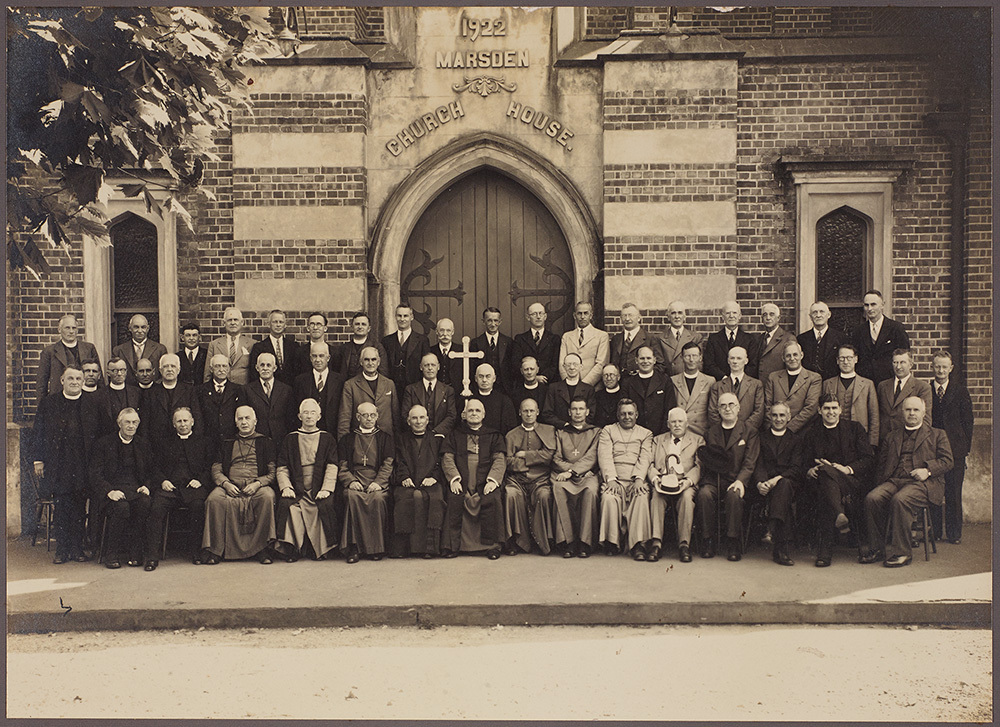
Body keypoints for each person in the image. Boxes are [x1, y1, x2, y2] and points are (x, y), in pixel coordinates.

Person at [861, 397, 953, 567]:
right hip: (895, 480)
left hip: (923, 484)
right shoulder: (892, 436)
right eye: (908, 410)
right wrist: (881, 483)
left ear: (924, 413)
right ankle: (877, 549)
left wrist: (928, 470)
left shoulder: (937, 434)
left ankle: (902, 553)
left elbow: (948, 461)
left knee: (900, 500)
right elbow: (882, 465)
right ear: (901, 412)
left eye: (916, 410)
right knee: (872, 498)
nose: (912, 413)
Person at [31, 366, 107, 562]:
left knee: (80, 507)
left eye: (78, 378)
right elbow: (38, 432)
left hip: (83, 463)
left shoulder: (93, 403)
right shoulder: (49, 403)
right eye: (70, 378)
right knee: (62, 506)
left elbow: (104, 433)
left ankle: (77, 548)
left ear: (83, 382)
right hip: (59, 464)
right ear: (62, 381)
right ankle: (62, 550)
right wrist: (38, 459)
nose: (75, 382)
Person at [802, 394, 874, 567]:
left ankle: (825, 552)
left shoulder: (855, 429)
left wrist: (845, 469)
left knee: (827, 474)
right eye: (826, 408)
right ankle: (840, 514)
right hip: (822, 483)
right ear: (819, 410)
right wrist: (809, 470)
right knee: (826, 479)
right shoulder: (812, 433)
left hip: (851, 481)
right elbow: (804, 462)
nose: (831, 412)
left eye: (834, 408)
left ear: (841, 409)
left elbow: (868, 459)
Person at [203, 405, 277, 565]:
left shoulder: (265, 442)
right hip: (230, 485)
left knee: (268, 496)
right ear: (236, 422)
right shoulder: (227, 442)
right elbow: (216, 468)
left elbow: (272, 473)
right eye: (240, 419)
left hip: (257, 486)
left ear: (255, 421)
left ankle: (262, 549)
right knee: (214, 499)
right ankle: (217, 550)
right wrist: (225, 484)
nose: (244, 422)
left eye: (247, 418)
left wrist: (258, 484)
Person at [143, 407, 214, 569]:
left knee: (198, 506)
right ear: (174, 424)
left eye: (185, 420)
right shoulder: (164, 443)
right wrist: (162, 481)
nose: (183, 424)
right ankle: (152, 557)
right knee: (156, 508)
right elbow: (154, 466)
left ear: (192, 422)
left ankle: (196, 552)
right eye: (179, 421)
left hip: (193, 487)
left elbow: (210, 466)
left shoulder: (204, 441)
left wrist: (200, 480)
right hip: (170, 488)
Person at [274, 399, 340, 562]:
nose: (309, 416)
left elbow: (332, 466)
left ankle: (320, 550)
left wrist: (326, 488)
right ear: (299, 416)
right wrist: (286, 487)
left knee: (324, 505)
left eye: (313, 413)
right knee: (289, 505)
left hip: (319, 485)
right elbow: (282, 467)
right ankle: (293, 548)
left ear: (319, 416)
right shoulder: (290, 438)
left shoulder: (327, 438)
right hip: (297, 486)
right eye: (306, 413)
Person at [696, 392, 759, 562]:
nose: (727, 408)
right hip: (715, 479)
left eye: (731, 404)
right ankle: (708, 540)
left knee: (734, 494)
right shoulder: (711, 433)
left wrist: (740, 481)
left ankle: (733, 541)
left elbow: (750, 462)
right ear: (717, 410)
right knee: (704, 494)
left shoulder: (749, 431)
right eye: (723, 405)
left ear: (738, 408)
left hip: (737, 479)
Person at [440, 399, 507, 558]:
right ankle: (454, 546)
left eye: (477, 411)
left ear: (483, 414)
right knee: (454, 497)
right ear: (464, 414)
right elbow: (447, 458)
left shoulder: (493, 435)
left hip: (485, 480)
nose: (474, 414)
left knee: (493, 498)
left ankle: (492, 547)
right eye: (470, 411)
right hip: (462, 479)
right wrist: (454, 479)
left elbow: (499, 459)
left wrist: (493, 480)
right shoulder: (455, 435)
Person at [90, 407, 153, 569]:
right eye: (127, 422)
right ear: (119, 423)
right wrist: (109, 491)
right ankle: (112, 553)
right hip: (112, 491)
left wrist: (146, 486)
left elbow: (150, 471)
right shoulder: (104, 444)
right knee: (121, 507)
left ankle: (135, 551)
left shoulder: (142, 444)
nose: (131, 426)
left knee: (144, 503)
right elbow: (95, 473)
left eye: (134, 423)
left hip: (134, 489)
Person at [338, 402, 395, 563]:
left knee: (377, 499)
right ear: (358, 417)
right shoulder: (347, 439)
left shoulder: (385, 438)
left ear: (377, 416)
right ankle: (354, 548)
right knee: (352, 496)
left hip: (376, 480)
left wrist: (378, 482)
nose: (369, 419)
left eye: (372, 415)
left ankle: (376, 549)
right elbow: (342, 465)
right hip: (355, 478)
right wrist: (350, 481)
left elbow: (388, 464)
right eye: (365, 415)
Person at [597, 398, 653, 560]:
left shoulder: (646, 433)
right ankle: (612, 542)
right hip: (614, 477)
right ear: (617, 415)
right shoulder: (608, 431)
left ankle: (638, 544)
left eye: (630, 413)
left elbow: (645, 457)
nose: (627, 417)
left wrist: (639, 478)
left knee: (641, 497)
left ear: (636, 415)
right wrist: (611, 479)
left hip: (636, 478)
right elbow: (605, 455)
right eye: (623, 414)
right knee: (608, 498)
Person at [647, 407, 703, 564]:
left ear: (686, 423)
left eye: (680, 422)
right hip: (662, 481)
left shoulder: (698, 440)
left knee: (686, 498)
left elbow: (699, 466)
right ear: (668, 424)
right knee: (656, 496)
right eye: (673, 422)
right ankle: (656, 542)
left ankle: (684, 544)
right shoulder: (657, 440)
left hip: (685, 482)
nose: (677, 425)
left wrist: (687, 482)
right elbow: (649, 463)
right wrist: (655, 478)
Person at [502, 398, 557, 555]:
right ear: (520, 413)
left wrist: (525, 455)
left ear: (538, 412)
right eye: (525, 411)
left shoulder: (549, 430)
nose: (528, 414)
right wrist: (533, 462)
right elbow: (508, 461)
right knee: (511, 495)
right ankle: (515, 542)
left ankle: (544, 542)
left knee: (545, 495)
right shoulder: (511, 435)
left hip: (540, 479)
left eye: (532, 411)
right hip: (517, 480)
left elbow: (549, 455)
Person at [929, 350, 974, 543]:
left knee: (954, 491)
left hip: (955, 449)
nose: (940, 370)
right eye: (937, 366)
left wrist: (964, 449)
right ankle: (935, 532)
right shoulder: (926, 389)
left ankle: (954, 534)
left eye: (944, 367)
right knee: (934, 491)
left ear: (951, 368)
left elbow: (968, 422)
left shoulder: (960, 391)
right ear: (932, 367)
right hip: (933, 449)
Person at [391, 404, 446, 558]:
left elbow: (440, 463)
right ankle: (404, 548)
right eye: (414, 418)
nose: (418, 421)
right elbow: (399, 461)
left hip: (431, 482)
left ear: (427, 420)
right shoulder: (401, 439)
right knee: (405, 498)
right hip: (408, 481)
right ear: (408, 421)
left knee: (435, 498)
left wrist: (434, 477)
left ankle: (429, 548)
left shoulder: (437, 440)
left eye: (422, 417)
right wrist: (404, 477)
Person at [751, 403, 803, 566]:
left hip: (789, 483)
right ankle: (781, 550)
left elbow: (796, 468)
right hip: (765, 484)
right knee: (783, 500)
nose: (778, 419)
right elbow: (757, 464)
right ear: (769, 417)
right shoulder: (761, 438)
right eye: (775, 415)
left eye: (782, 415)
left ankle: (771, 529)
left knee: (784, 485)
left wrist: (776, 479)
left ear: (788, 417)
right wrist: (760, 482)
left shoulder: (796, 439)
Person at [551, 396, 601, 558]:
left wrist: (574, 471)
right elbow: (556, 458)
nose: (578, 412)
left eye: (581, 409)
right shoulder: (560, 433)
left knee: (590, 491)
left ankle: (585, 542)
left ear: (587, 411)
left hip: (587, 475)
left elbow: (592, 457)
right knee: (558, 489)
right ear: (569, 412)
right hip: (565, 476)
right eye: (574, 409)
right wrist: (570, 472)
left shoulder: (595, 432)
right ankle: (568, 541)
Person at [820, 344, 879, 447]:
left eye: (849, 358)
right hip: (834, 439)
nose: (846, 362)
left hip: (860, 438)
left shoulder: (867, 384)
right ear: (837, 361)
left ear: (856, 359)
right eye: (842, 358)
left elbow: (874, 415)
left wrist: (872, 443)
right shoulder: (827, 384)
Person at [36, 314, 102, 401]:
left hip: (86, 399)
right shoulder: (49, 352)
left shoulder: (89, 348)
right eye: (67, 328)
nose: (71, 331)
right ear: (59, 329)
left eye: (74, 328)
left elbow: (99, 376)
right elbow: (42, 383)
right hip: (59, 400)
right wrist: (42, 408)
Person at [850, 290, 909, 385]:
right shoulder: (858, 331)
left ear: (882, 305)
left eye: (873, 304)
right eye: (866, 305)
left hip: (889, 381)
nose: (869, 308)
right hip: (865, 382)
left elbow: (904, 354)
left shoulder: (896, 328)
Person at [338, 346, 399, 438]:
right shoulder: (350, 385)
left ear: (378, 362)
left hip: (386, 439)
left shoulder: (389, 384)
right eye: (367, 360)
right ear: (361, 362)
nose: (370, 363)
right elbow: (344, 418)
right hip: (360, 439)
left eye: (373, 359)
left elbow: (395, 416)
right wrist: (344, 443)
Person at [763, 341, 822, 433]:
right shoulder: (773, 377)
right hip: (775, 430)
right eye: (788, 356)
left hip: (803, 431)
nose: (792, 358)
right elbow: (767, 404)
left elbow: (811, 408)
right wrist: (776, 427)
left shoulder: (813, 378)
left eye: (795, 354)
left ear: (801, 355)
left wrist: (788, 429)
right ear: (783, 358)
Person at [143, 353, 202, 442]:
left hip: (183, 443)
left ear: (178, 370)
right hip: (157, 443)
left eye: (173, 366)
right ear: (160, 370)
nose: (169, 369)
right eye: (166, 366)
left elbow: (197, 418)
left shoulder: (189, 391)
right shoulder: (150, 393)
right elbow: (145, 424)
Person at [876, 349, 932, 442]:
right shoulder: (883, 386)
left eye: (902, 362)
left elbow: (925, 419)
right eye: (895, 362)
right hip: (885, 440)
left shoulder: (922, 387)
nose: (898, 367)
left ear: (910, 364)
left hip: (908, 440)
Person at [294, 342, 345, 436]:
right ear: (310, 358)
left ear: (328, 358)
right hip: (308, 432)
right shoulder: (300, 381)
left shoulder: (340, 380)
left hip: (331, 431)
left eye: (321, 356)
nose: (317, 360)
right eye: (314, 356)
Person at [244, 352, 296, 446]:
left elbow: (290, 418)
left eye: (268, 365)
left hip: (280, 439)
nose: (265, 368)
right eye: (262, 365)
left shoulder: (286, 390)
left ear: (274, 368)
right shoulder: (247, 390)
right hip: (257, 439)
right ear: (257, 368)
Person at [708, 346, 764, 432]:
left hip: (747, 433)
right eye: (732, 358)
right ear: (728, 361)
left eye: (739, 358)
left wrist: (744, 429)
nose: (735, 361)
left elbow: (759, 411)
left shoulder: (756, 385)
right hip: (723, 433)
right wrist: (725, 429)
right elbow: (713, 412)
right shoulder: (717, 386)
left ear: (746, 361)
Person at [622, 345, 675, 436]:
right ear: (636, 360)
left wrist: (662, 434)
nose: (645, 361)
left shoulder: (664, 380)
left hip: (660, 434)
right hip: (635, 435)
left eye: (648, 358)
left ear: (654, 360)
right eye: (642, 358)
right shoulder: (628, 383)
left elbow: (669, 409)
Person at [401, 353, 457, 437]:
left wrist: (436, 432)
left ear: (438, 367)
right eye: (426, 365)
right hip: (417, 436)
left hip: (440, 437)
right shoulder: (410, 389)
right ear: (421, 367)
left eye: (433, 365)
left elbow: (451, 416)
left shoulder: (448, 390)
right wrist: (419, 430)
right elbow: (405, 414)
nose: (430, 368)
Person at [703, 301, 760, 381]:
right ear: (723, 317)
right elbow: (709, 365)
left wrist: (739, 379)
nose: (731, 316)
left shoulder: (750, 339)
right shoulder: (713, 339)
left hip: (743, 384)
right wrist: (725, 378)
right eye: (728, 313)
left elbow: (753, 365)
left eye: (734, 313)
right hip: (721, 383)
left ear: (740, 316)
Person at [382, 303, 431, 396]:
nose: (402, 319)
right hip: (392, 389)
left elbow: (426, 365)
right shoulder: (386, 341)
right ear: (395, 317)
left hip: (415, 389)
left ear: (411, 317)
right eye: (399, 316)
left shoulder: (422, 340)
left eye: (405, 316)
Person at [558, 301, 610, 387]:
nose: (582, 317)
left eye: (586, 313)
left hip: (593, 387)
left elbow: (601, 364)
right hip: (570, 386)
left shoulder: (601, 336)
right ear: (574, 316)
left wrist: (584, 385)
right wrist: (569, 383)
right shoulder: (567, 336)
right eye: (579, 313)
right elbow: (562, 363)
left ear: (591, 315)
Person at [197, 354, 245, 445]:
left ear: (228, 369)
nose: (221, 369)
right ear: (211, 369)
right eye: (217, 366)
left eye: (224, 366)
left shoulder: (238, 390)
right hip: (208, 440)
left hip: (231, 439)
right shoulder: (200, 390)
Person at [669, 341, 715, 437]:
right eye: (687, 356)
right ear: (682, 358)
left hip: (701, 432)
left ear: (700, 358)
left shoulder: (710, 381)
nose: (691, 360)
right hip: (680, 431)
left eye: (694, 356)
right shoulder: (673, 381)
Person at [542, 353, 596, 430]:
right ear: (564, 367)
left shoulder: (589, 389)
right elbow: (547, 413)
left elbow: (591, 414)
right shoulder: (553, 388)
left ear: (581, 367)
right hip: (559, 430)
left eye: (575, 364)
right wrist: (564, 425)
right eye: (568, 364)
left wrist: (577, 426)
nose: (572, 367)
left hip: (582, 431)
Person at [510, 302, 560, 385]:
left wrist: (543, 377)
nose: (538, 317)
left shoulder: (554, 339)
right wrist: (533, 377)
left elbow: (555, 365)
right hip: (525, 384)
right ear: (528, 317)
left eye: (541, 313)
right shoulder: (520, 339)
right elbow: (516, 364)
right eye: (534, 314)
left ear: (545, 316)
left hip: (548, 384)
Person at [460, 363, 517, 435]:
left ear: (494, 378)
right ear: (476, 379)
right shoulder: (468, 398)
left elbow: (509, 428)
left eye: (488, 376)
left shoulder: (504, 401)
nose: (484, 380)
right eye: (481, 376)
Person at [205, 307, 257, 385]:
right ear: (224, 323)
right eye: (229, 320)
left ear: (242, 322)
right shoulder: (214, 344)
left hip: (244, 389)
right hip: (222, 391)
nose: (233, 323)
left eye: (235, 320)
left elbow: (255, 372)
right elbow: (208, 373)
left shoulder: (252, 344)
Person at [111, 314, 167, 385]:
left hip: (152, 391)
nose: (140, 331)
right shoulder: (118, 350)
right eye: (136, 327)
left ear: (148, 328)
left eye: (143, 327)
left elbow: (163, 374)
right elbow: (114, 374)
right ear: (130, 328)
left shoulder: (160, 349)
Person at [249, 309, 300, 386]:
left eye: (281, 322)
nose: (278, 325)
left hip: (290, 390)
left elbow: (298, 371)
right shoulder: (259, 347)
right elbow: (254, 373)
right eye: (275, 322)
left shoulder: (294, 346)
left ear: (285, 325)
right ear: (269, 324)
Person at [609, 302, 660, 378]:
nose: (627, 319)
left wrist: (643, 373)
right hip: (620, 384)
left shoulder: (650, 338)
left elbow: (660, 365)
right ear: (620, 319)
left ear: (639, 318)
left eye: (630, 315)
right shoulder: (615, 339)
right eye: (624, 316)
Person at [797, 301, 846, 381]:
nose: (818, 315)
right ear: (810, 316)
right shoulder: (801, 339)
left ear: (829, 315)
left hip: (831, 384)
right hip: (808, 385)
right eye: (814, 312)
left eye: (822, 312)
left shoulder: (840, 338)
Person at [470, 307, 514, 392]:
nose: (493, 324)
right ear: (483, 321)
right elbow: (472, 369)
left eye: (496, 320)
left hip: (504, 388)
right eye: (489, 320)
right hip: (483, 387)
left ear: (500, 321)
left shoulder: (508, 342)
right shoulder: (476, 343)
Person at [655, 300, 702, 376]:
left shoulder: (696, 337)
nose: (677, 316)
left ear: (684, 316)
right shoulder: (659, 338)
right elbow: (660, 365)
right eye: (673, 313)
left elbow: (699, 363)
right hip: (668, 380)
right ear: (668, 317)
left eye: (680, 313)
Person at [95, 357, 141, 432]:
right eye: (115, 371)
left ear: (126, 371)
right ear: (108, 373)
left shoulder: (136, 392)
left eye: (122, 370)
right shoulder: (99, 395)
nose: (119, 374)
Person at [339, 311, 389, 380]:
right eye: (357, 324)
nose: (360, 327)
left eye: (363, 324)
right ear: (352, 327)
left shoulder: (377, 347)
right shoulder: (344, 348)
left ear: (369, 328)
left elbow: (383, 373)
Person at [756, 303, 797, 385]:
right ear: (762, 319)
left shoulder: (788, 338)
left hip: (778, 386)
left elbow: (792, 365)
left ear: (778, 318)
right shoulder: (758, 339)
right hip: (760, 386)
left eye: (772, 314)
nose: (768, 318)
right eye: (765, 315)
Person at [429, 317, 463, 389]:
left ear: (452, 332)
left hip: (456, 393)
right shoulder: (430, 351)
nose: (445, 334)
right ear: (436, 332)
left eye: (448, 330)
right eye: (442, 330)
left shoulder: (462, 351)